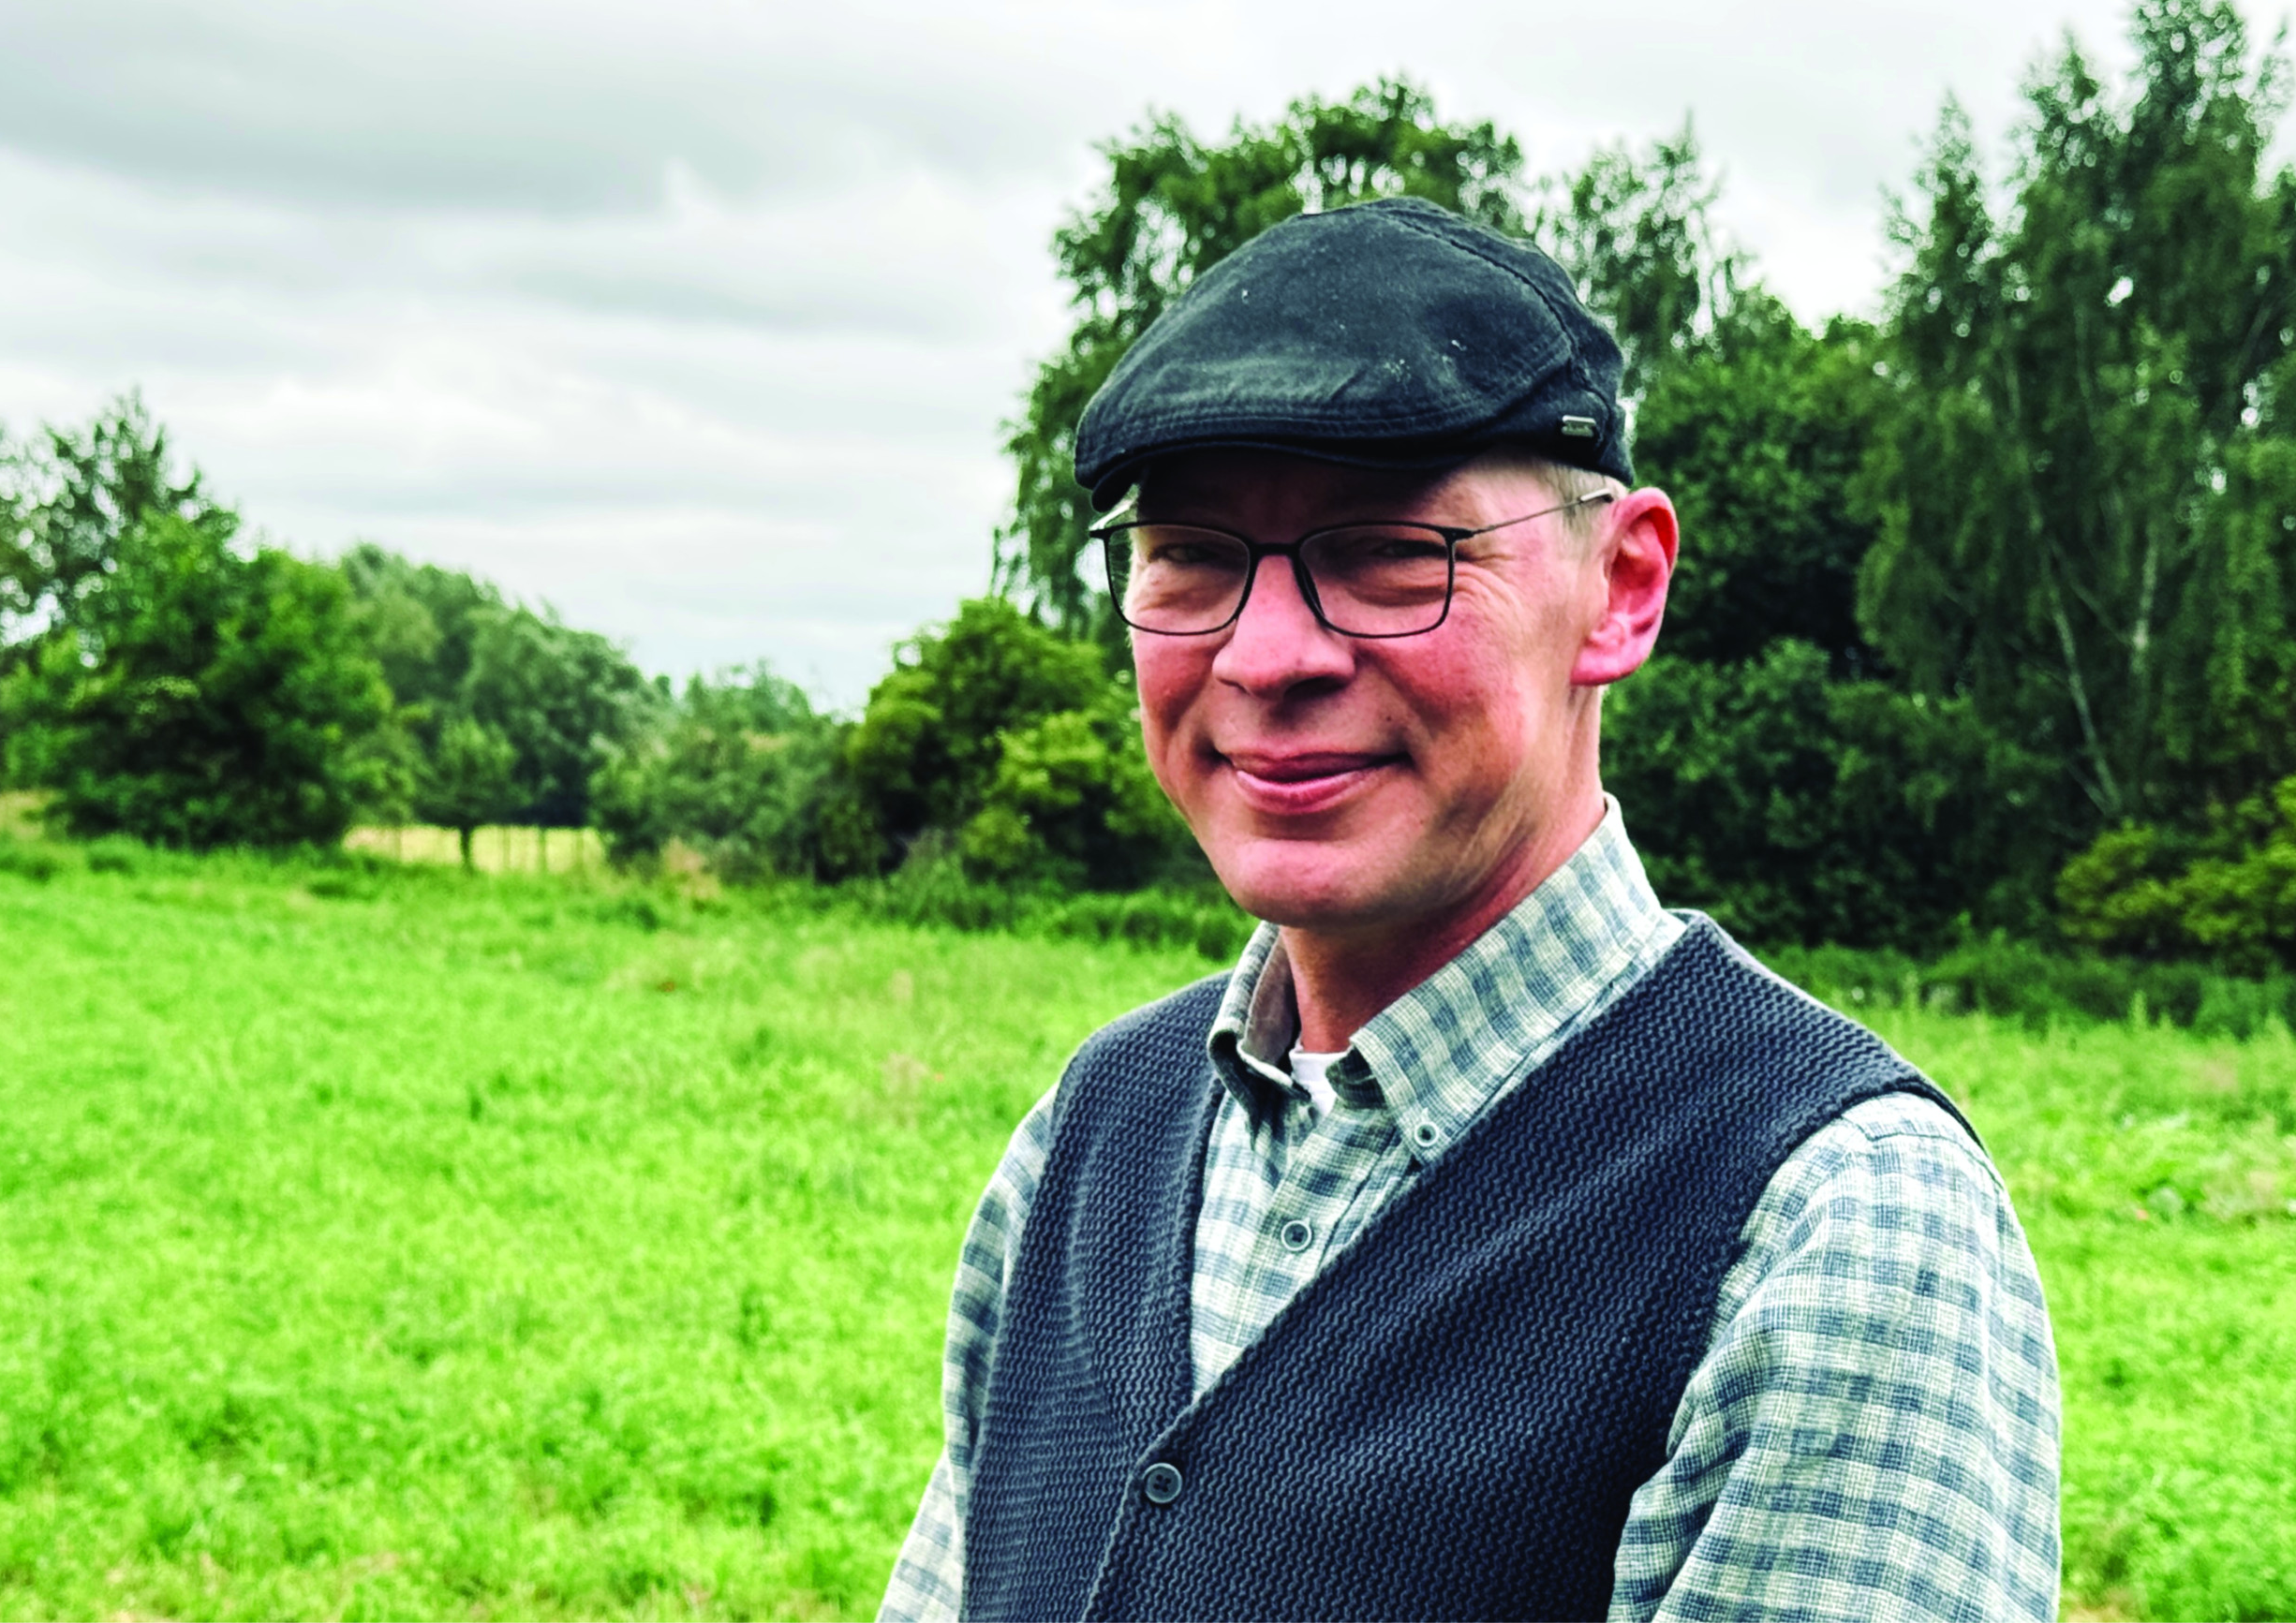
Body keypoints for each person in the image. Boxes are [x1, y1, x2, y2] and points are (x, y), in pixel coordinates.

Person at [878, 198, 2061, 1623]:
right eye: (1190, 554)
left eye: (1388, 551)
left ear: (1620, 590)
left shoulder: (1831, 1223)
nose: (1266, 654)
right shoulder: (1092, 1128)